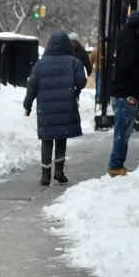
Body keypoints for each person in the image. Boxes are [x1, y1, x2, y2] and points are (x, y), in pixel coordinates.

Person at [24, 31, 87, 186]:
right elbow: (82, 82)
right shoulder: (74, 62)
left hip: (46, 109)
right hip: (66, 107)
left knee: (47, 140)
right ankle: (59, 171)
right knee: (61, 137)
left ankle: (45, 175)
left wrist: (27, 105)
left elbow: (31, 86)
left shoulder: (40, 64)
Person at [107, 11, 139, 176]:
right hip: (126, 92)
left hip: (125, 91)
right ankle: (115, 165)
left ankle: (117, 164)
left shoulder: (128, 38)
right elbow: (128, 68)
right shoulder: (130, 42)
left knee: (123, 130)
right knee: (123, 131)